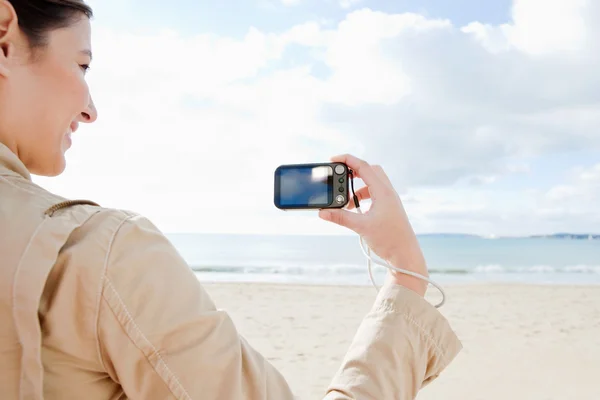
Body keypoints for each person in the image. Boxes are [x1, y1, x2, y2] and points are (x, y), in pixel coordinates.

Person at [0, 0, 462, 398]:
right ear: (5, 37)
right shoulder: (100, 252)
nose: (90, 109)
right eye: (82, 65)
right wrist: (406, 271)